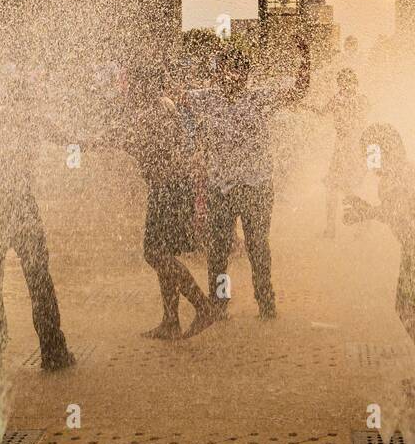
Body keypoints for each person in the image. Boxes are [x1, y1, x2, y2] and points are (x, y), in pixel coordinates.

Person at [190, 36, 311, 320]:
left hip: (256, 185)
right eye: (226, 70)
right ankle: (219, 304)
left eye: (238, 70)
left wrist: (306, 60)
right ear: (218, 73)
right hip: (220, 188)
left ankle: (266, 303)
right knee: (218, 251)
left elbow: (298, 92)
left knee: (257, 246)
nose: (232, 76)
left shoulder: (258, 98)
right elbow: (173, 95)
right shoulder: (206, 98)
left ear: (246, 75)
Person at [0, 62, 74, 373]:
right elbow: (70, 139)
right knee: (38, 278)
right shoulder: (33, 120)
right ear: (27, 100)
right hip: (20, 206)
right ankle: (53, 350)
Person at [343, 124, 415, 389]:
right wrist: (368, 211)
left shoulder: (396, 177)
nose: (367, 162)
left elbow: (398, 215)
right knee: (410, 309)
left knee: (409, 309)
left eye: (370, 154)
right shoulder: (404, 171)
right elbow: (399, 213)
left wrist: (366, 212)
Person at [125, 71, 216, 340]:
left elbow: (151, 151)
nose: (130, 91)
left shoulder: (150, 115)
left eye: (134, 86)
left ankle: (203, 305)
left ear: (142, 89)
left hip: (167, 189)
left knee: (153, 254)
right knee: (164, 253)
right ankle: (170, 320)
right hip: (175, 186)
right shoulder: (166, 104)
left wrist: (125, 143)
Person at [311, 67, 369, 238]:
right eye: (342, 82)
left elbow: (359, 124)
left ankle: (339, 227)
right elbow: (322, 112)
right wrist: (308, 107)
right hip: (343, 147)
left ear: (354, 83)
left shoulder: (357, 100)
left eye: (348, 82)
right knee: (338, 187)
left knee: (339, 186)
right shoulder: (341, 99)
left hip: (351, 148)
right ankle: (340, 226)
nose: (345, 85)